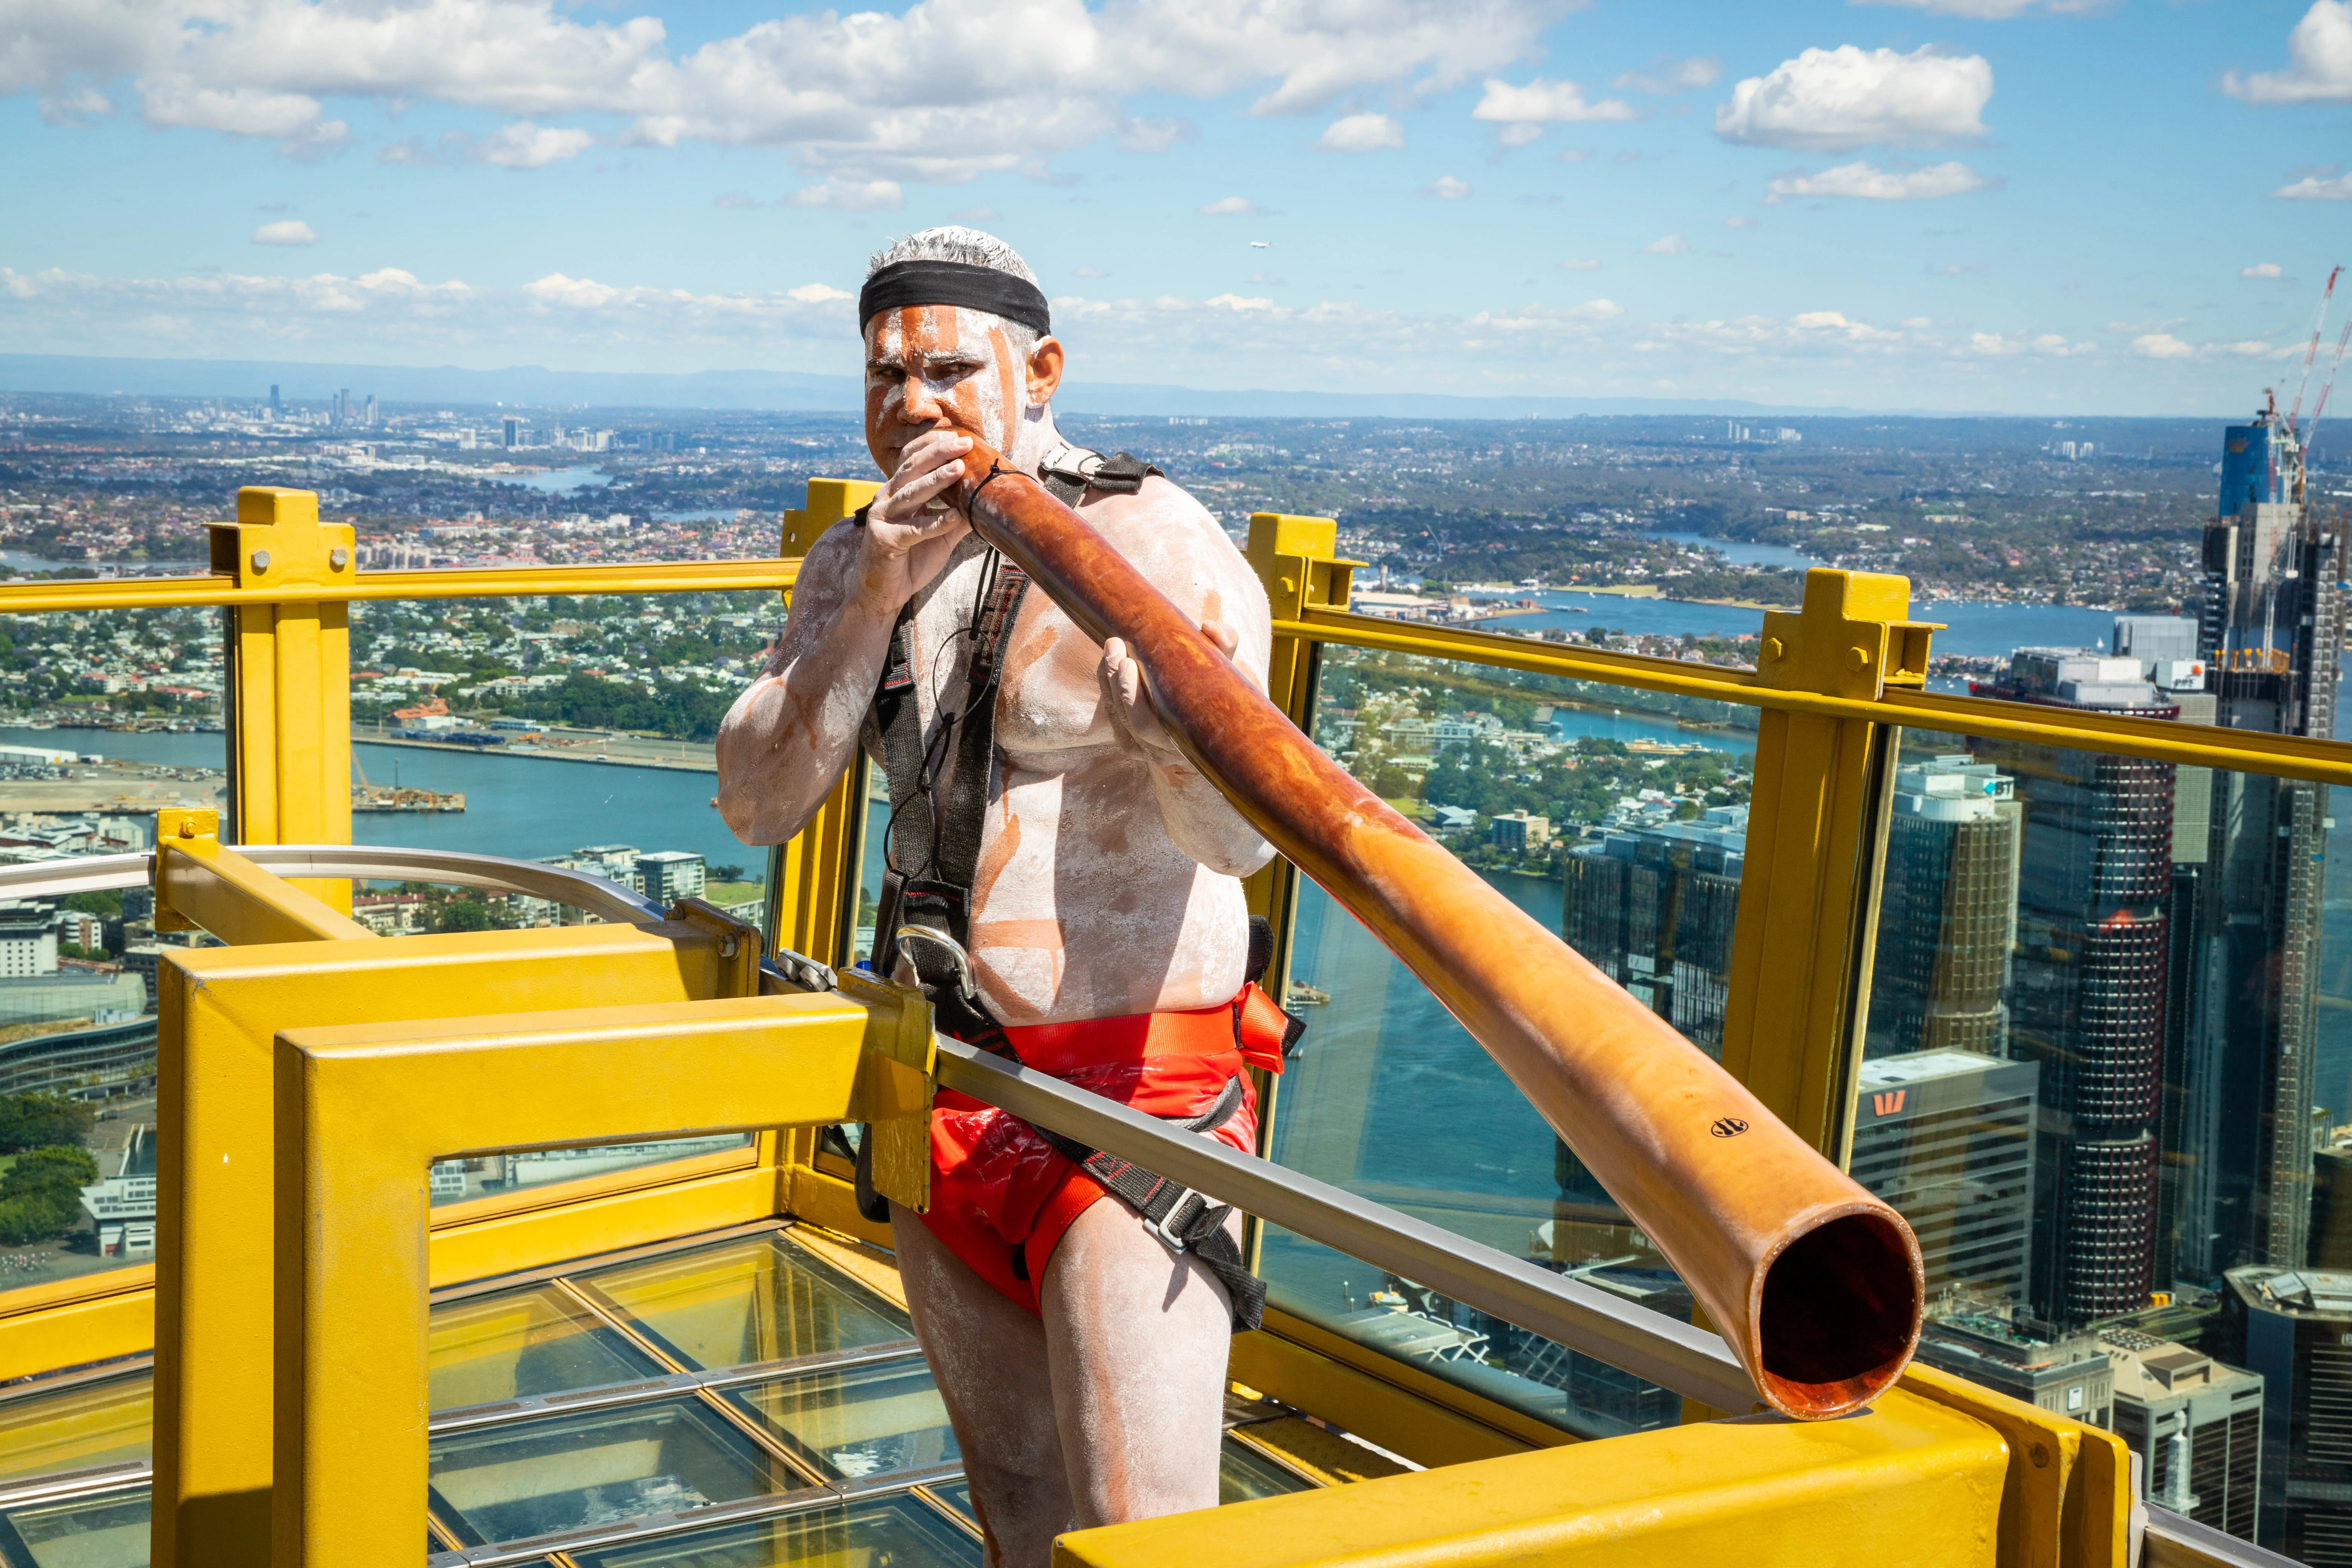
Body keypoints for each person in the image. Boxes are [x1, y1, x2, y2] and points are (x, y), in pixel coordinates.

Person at [715, 227, 1291, 1566]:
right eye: (884, 375)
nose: (912, 404)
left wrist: (1164, 734)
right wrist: (863, 599)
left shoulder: (1155, 543)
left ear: (1039, 371)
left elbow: (1238, 836)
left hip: (1132, 1098)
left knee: (1145, 1534)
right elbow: (755, 800)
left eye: (945, 371)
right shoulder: (860, 555)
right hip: (948, 1080)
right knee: (1016, 1507)